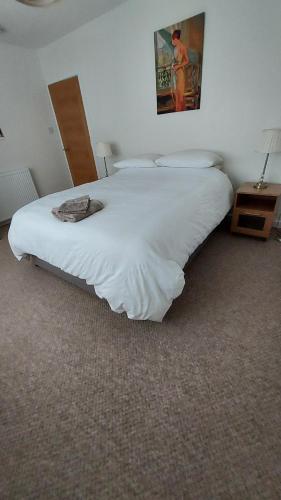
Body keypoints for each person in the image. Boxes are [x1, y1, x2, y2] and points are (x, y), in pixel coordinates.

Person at [171, 30, 189, 111]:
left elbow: (187, 61)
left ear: (176, 39)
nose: (172, 42)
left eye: (173, 40)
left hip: (180, 73)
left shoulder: (182, 47)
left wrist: (178, 66)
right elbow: (174, 60)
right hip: (175, 73)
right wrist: (173, 65)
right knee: (176, 95)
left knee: (180, 95)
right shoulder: (175, 48)